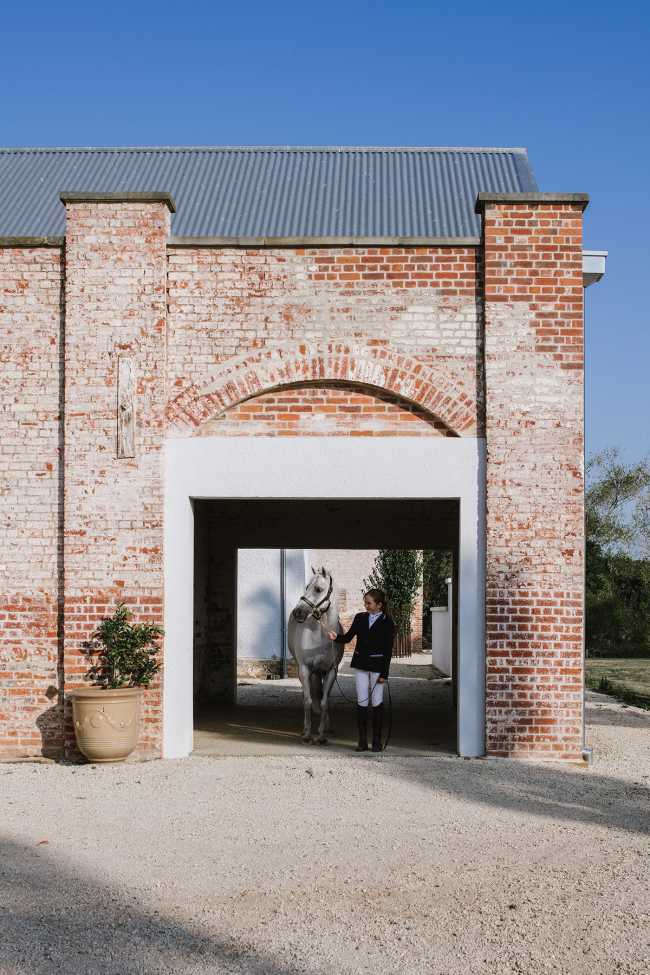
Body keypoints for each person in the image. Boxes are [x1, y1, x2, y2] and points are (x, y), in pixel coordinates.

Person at [328, 589, 395, 752]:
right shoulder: (360, 618)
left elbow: (388, 651)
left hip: (378, 668)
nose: (365, 606)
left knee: (377, 702)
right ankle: (362, 741)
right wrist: (336, 637)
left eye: (369, 603)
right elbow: (348, 637)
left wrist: (384, 674)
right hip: (361, 666)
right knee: (361, 702)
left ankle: (377, 742)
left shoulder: (388, 622)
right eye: (365, 602)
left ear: (379, 605)